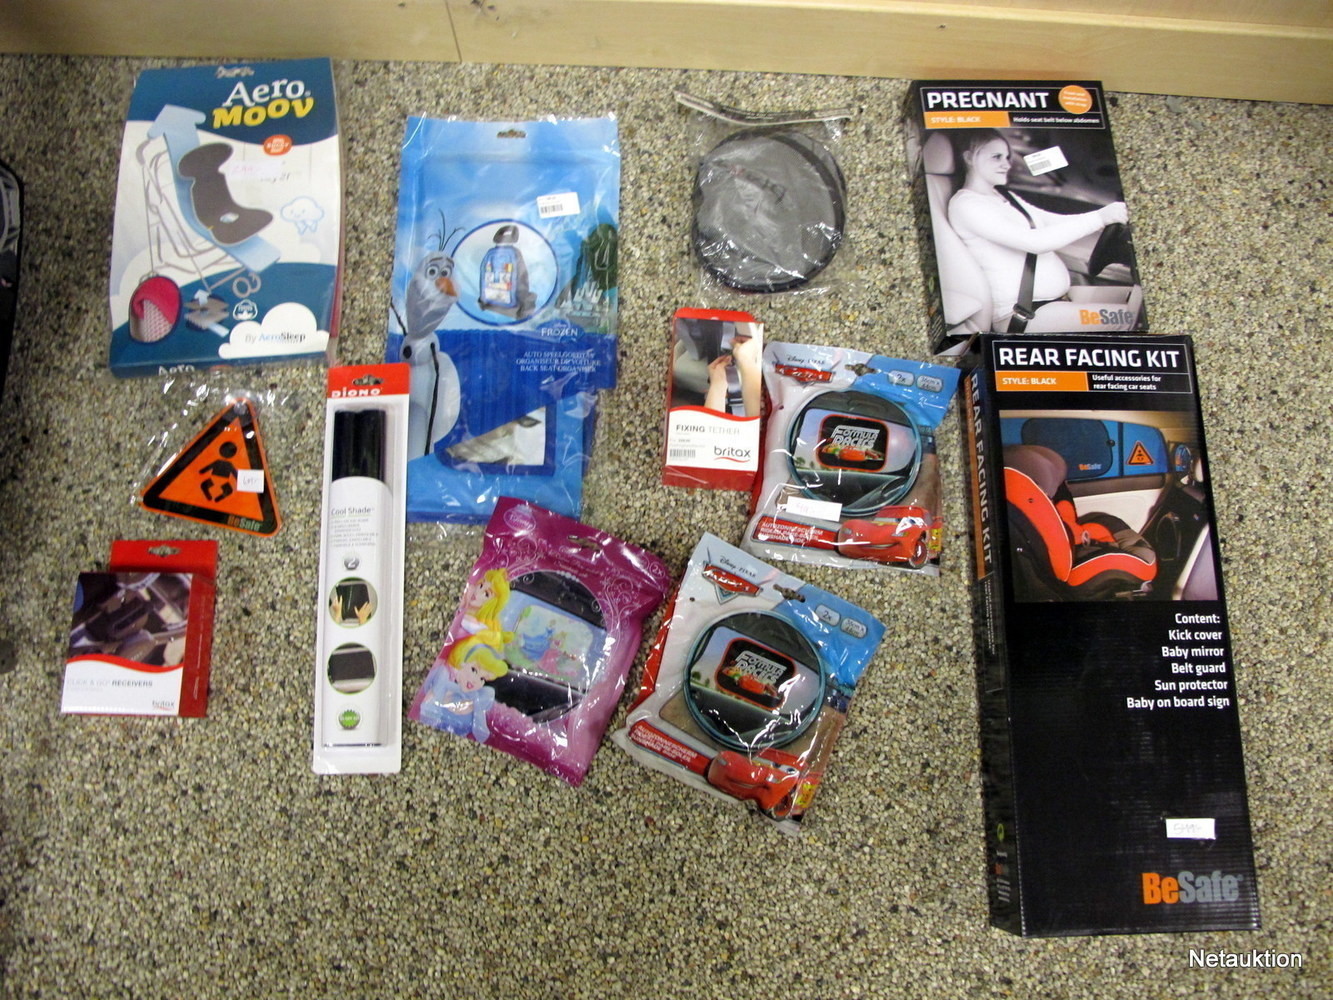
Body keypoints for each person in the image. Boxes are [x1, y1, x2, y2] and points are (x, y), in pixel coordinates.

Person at [947, 129, 1128, 332]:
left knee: (1135, 302)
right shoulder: (967, 205)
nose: (1006, 164)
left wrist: (1105, 216)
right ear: (969, 158)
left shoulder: (1003, 195)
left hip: (1057, 301)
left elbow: (1052, 221)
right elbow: (1035, 242)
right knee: (1127, 318)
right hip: (1023, 313)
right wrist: (1100, 217)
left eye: (1007, 157)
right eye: (996, 157)